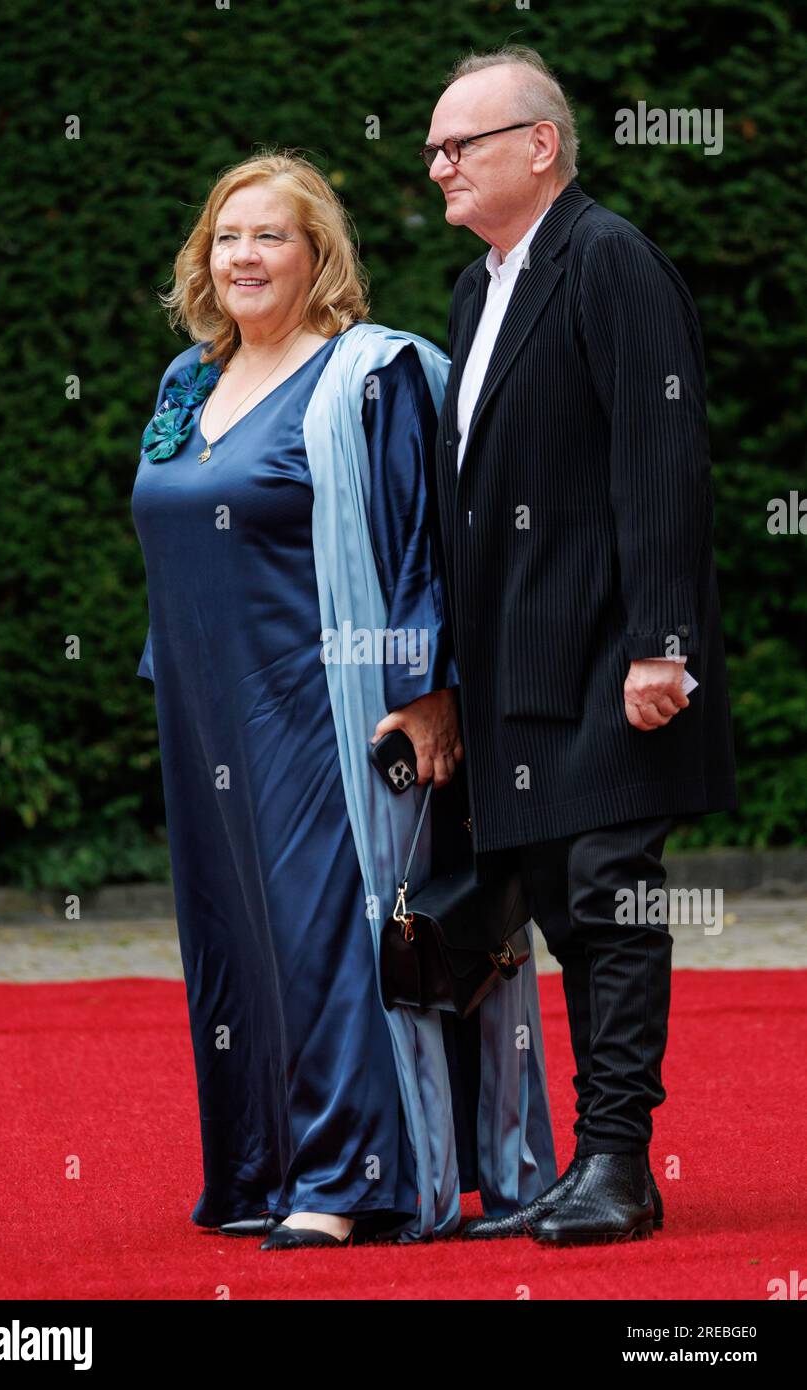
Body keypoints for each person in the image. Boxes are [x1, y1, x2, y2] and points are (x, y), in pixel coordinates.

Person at [131, 152, 556, 1249]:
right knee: (232, 938)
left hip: (327, 704)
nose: (244, 255)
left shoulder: (368, 378)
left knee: (330, 932)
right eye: (227, 236)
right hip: (205, 709)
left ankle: (345, 1179)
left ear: (318, 254)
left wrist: (427, 693)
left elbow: (423, 541)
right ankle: (262, 1165)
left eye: (271, 234)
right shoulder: (187, 382)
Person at [422, 47, 737, 1245]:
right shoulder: (475, 286)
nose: (438, 163)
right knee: (559, 907)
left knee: (608, 900)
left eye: (462, 144)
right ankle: (589, 1163)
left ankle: (618, 1165)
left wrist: (661, 644)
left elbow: (660, 462)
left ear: (539, 144)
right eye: (435, 148)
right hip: (521, 671)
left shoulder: (608, 258)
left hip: (615, 657)